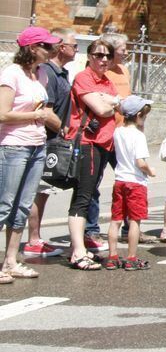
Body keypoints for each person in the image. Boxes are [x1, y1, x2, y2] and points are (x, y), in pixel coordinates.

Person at [0, 27, 62, 284]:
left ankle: (11, 261)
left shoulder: (41, 76)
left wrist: (56, 125)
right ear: (31, 48)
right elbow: (3, 114)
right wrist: (35, 116)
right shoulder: (12, 74)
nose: (51, 51)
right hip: (13, 146)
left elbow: (46, 112)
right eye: (46, 47)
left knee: (23, 207)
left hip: (37, 145)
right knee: (4, 205)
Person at [65, 39, 121, 270]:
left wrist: (111, 102)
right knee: (83, 196)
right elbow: (101, 109)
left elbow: (115, 105)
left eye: (108, 55)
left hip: (104, 145)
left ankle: (79, 247)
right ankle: (78, 252)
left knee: (88, 195)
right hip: (87, 143)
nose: (104, 59)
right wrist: (112, 103)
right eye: (99, 55)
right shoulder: (83, 78)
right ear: (89, 56)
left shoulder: (107, 81)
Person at [23, 27, 76, 258]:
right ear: (61, 47)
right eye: (74, 45)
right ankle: (33, 240)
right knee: (37, 191)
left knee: (42, 191)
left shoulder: (59, 72)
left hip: (50, 138)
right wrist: (64, 130)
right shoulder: (49, 73)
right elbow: (47, 110)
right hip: (44, 138)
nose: (76, 49)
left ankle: (34, 238)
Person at [107, 95, 155, 271]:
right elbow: (140, 162)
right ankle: (131, 258)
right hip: (136, 182)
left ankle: (112, 257)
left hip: (120, 180)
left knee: (116, 219)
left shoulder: (118, 131)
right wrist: (151, 171)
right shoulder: (138, 136)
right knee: (135, 221)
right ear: (138, 115)